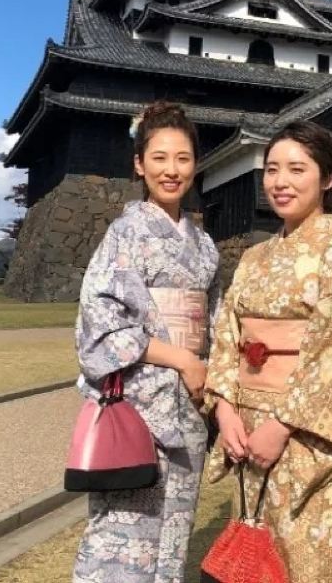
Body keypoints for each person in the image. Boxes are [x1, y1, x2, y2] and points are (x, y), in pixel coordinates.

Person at [205, 120, 332, 583]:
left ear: (327, 178)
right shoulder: (255, 258)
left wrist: (283, 425)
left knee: (312, 558)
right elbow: (228, 335)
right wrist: (225, 409)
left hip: (309, 434)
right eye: (272, 169)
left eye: (296, 169)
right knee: (255, 558)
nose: (280, 182)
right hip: (248, 427)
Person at [73, 102, 220, 583]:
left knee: (175, 529)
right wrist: (182, 358)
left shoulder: (205, 245)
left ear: (195, 164)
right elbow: (101, 325)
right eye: (159, 158)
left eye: (182, 158)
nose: (171, 170)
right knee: (123, 533)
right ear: (139, 164)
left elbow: (215, 322)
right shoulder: (126, 233)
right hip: (139, 406)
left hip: (189, 406)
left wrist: (207, 376)